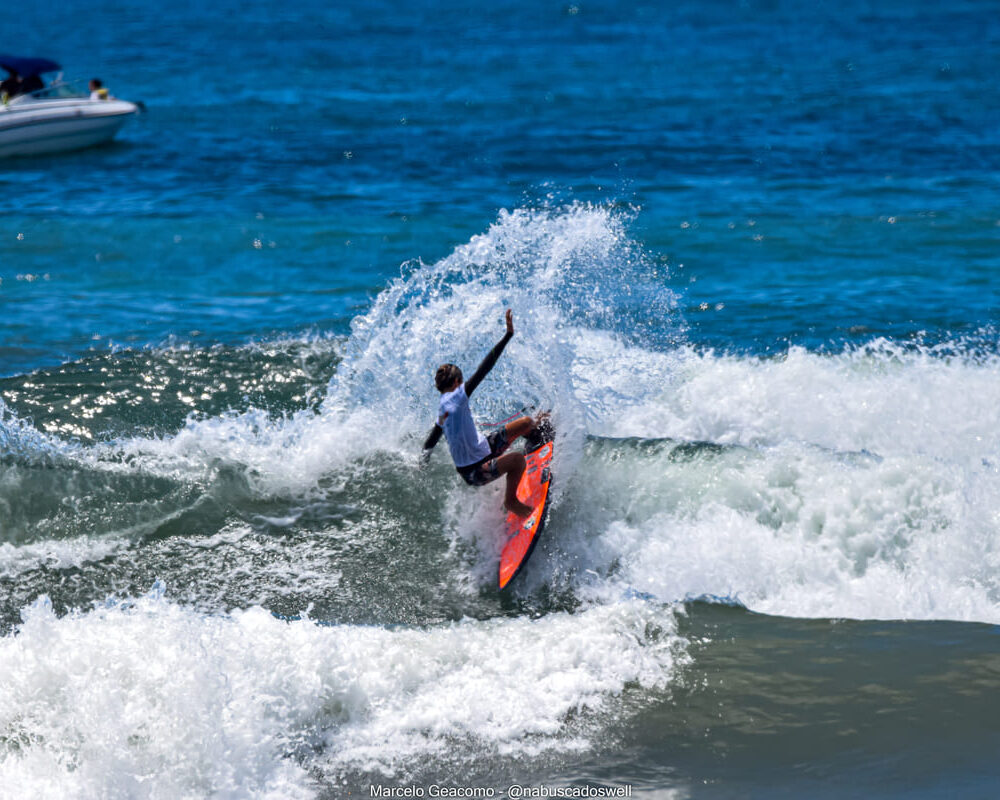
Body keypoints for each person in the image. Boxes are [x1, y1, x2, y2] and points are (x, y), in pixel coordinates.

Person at [422, 309, 544, 517]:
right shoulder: (458, 396)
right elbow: (484, 368)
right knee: (516, 461)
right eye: (461, 383)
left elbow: (431, 440)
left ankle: (535, 444)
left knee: (526, 423)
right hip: (475, 472)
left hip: (484, 449)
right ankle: (511, 501)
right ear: (456, 383)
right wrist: (507, 336)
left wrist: (422, 462)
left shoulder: (443, 408)